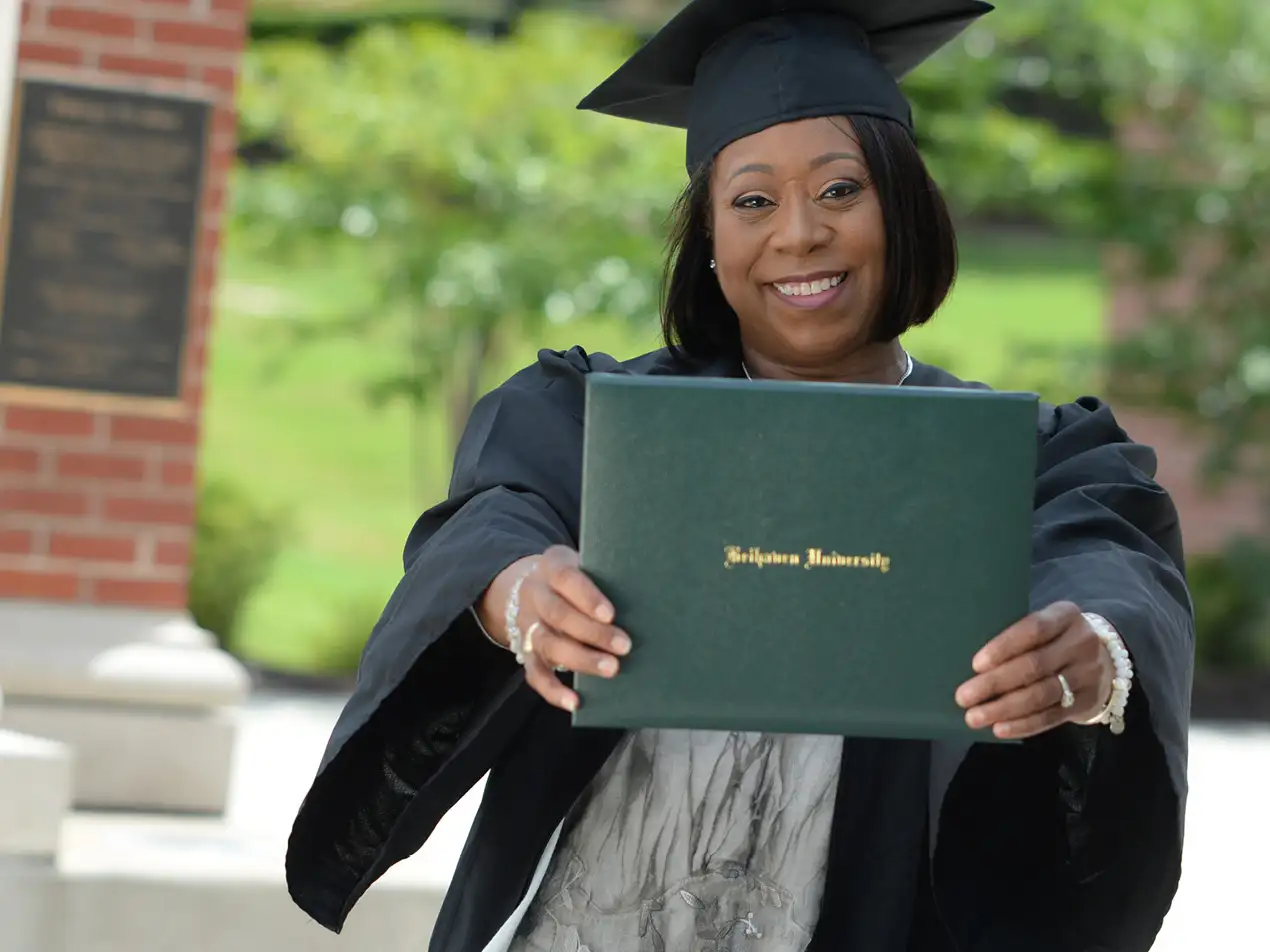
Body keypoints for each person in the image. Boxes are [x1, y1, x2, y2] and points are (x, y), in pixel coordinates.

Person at [285, 1, 1194, 949]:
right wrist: (517, 597)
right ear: (711, 246)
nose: (799, 234)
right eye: (753, 201)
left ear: (907, 205)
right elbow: (496, 518)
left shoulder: (1025, 454)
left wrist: (1093, 654)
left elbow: (1109, 561)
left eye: (841, 191)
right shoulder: (596, 419)